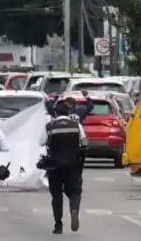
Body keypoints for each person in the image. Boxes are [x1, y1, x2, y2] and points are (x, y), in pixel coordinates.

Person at [42, 100, 87, 235]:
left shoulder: (50, 126)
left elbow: (40, 142)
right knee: (75, 191)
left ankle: (58, 225)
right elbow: (84, 142)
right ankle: (74, 210)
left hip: (54, 166)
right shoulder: (76, 125)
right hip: (72, 165)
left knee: (56, 195)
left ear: (55, 113)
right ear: (68, 112)